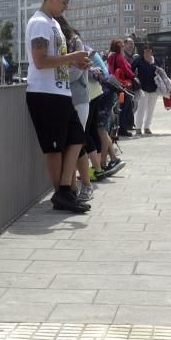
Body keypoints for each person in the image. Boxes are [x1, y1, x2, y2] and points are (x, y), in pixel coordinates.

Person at [26, 0, 92, 214]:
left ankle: (65, 190)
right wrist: (72, 56)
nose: (65, 8)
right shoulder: (39, 23)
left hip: (60, 92)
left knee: (76, 139)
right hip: (44, 93)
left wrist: (75, 61)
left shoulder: (52, 23)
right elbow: (40, 61)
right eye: (63, 3)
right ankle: (62, 194)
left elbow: (55, 59)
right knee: (53, 149)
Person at [55, 15, 95, 203]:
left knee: (77, 143)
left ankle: (86, 185)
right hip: (63, 98)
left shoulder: (74, 42)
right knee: (69, 144)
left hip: (78, 98)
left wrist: (55, 74)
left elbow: (77, 72)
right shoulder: (58, 45)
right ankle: (71, 187)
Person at [107, 39, 136, 137]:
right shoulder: (119, 57)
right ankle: (122, 129)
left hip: (114, 84)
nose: (123, 47)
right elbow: (126, 69)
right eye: (122, 46)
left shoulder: (111, 56)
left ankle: (117, 128)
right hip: (122, 85)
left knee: (118, 108)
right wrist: (134, 77)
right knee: (125, 107)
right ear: (119, 47)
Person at [131, 43, 161, 135]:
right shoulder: (138, 60)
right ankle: (138, 128)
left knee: (150, 109)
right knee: (141, 108)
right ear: (143, 50)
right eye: (146, 48)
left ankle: (147, 127)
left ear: (152, 50)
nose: (148, 50)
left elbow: (161, 71)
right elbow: (131, 69)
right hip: (142, 88)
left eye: (149, 48)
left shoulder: (156, 60)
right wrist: (134, 80)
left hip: (154, 88)